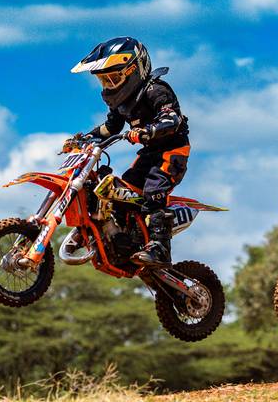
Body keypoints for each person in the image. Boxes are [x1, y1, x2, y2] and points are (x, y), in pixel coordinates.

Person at [69, 36, 189, 267]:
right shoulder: (122, 102)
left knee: (153, 192)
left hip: (172, 152)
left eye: (113, 78)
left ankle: (159, 247)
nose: (109, 85)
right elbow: (110, 128)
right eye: (104, 80)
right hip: (149, 154)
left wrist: (149, 130)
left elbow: (172, 118)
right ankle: (124, 239)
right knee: (122, 193)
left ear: (134, 70)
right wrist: (85, 139)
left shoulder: (156, 90)